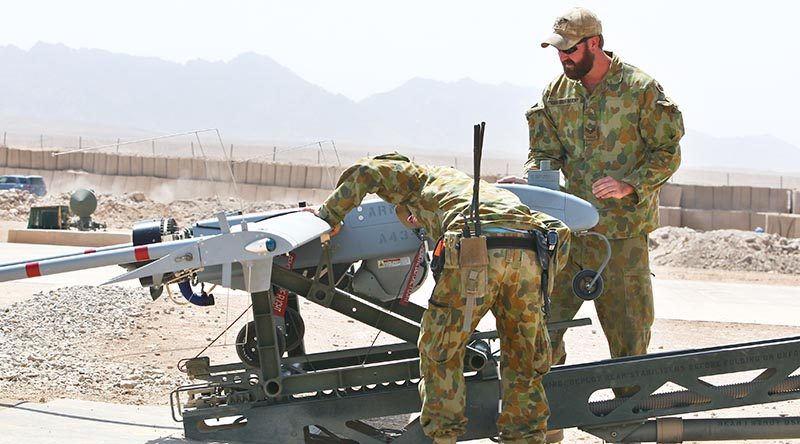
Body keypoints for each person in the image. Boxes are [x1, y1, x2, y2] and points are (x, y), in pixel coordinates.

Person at [315, 152, 570, 444]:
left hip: (476, 249)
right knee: (523, 355)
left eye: (412, 219)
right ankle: (526, 437)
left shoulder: (416, 177)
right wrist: (542, 282)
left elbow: (368, 171)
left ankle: (443, 436)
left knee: (441, 349)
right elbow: (559, 230)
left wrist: (329, 216)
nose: (414, 222)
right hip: (529, 250)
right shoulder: (471, 188)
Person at [499, 6, 684, 389]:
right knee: (539, 329)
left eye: (569, 50)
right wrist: (534, 180)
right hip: (566, 233)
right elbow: (545, 151)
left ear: (594, 44)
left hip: (621, 238)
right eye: (558, 51)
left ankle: (626, 420)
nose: (563, 57)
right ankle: (543, 419)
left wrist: (630, 183)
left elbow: (668, 152)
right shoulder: (556, 93)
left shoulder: (640, 89)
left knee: (629, 339)